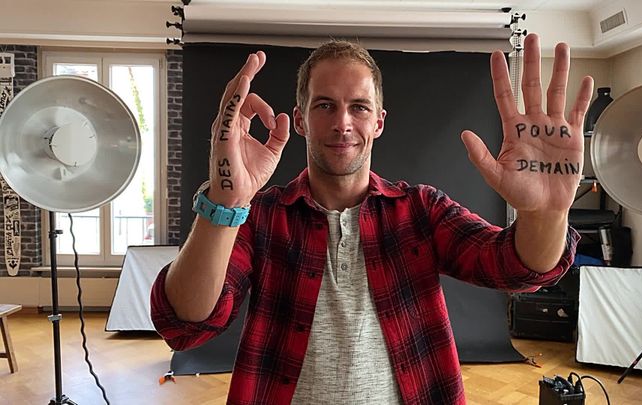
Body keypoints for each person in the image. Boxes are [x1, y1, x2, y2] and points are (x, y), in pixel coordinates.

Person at [151, 33, 594, 404]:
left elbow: (516, 267)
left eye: (359, 107)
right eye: (325, 105)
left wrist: (546, 211)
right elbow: (186, 324)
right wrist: (224, 203)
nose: (342, 122)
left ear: (379, 122)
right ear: (301, 119)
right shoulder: (262, 218)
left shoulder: (419, 209)